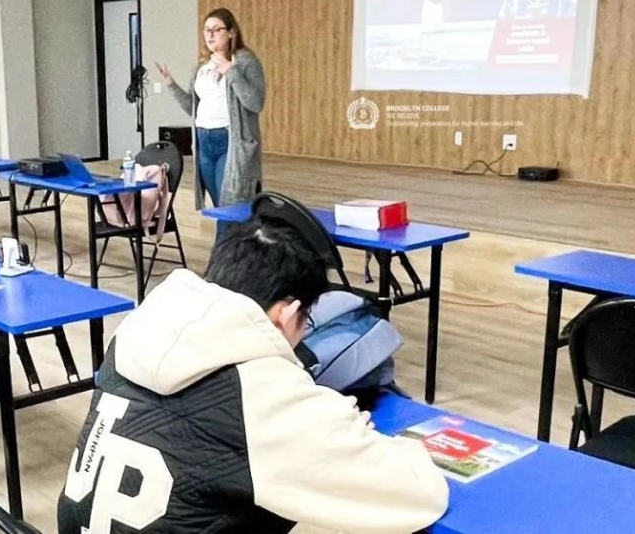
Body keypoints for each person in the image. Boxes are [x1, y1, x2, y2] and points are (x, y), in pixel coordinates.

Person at [57, 217, 449, 533]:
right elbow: (417, 492)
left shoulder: (132, 334)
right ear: (287, 314)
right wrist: (339, 425)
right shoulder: (259, 394)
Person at [156, 8, 265, 239]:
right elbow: (192, 108)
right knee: (220, 208)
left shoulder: (245, 61)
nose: (210, 35)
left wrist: (230, 71)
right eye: (207, 30)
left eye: (217, 30)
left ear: (232, 32)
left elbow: (255, 102)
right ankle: (235, 253)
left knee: (231, 207)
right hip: (204, 142)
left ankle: (224, 257)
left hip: (231, 143)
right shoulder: (201, 67)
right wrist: (170, 84)